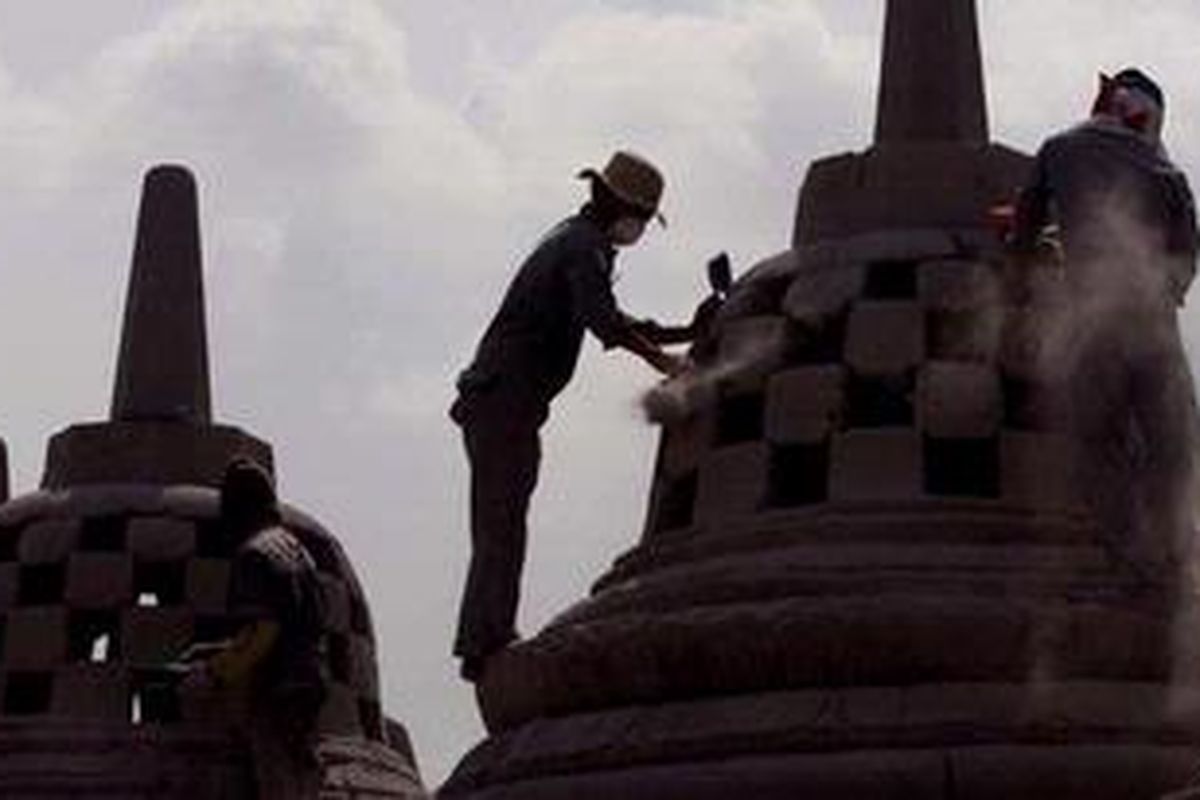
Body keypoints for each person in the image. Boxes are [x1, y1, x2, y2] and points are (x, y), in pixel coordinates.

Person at [450, 150, 703, 682]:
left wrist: (683, 331)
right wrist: (665, 361)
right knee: (502, 521)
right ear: (622, 206)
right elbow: (603, 322)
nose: (638, 231)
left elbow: (612, 315)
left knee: (503, 517)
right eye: (640, 218)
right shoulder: (581, 247)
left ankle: (486, 634)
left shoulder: (575, 239)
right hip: (503, 401)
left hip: (506, 402)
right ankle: (485, 641)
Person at [1013, 68, 1199, 591]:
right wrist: (1166, 294)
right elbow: (1186, 253)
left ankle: (1131, 565)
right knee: (1172, 444)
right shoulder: (1166, 170)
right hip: (1155, 324)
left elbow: (1024, 234)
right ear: (1143, 115)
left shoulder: (1058, 150)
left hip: (1094, 319)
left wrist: (1033, 267)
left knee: (1100, 440)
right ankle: (1177, 563)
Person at [185, 458, 327, 798]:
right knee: (297, 775)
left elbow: (264, 632)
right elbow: (291, 623)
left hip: (276, 690)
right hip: (309, 682)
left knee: (278, 781)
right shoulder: (297, 550)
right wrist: (215, 652)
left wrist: (213, 673)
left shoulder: (253, 554)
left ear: (237, 507)